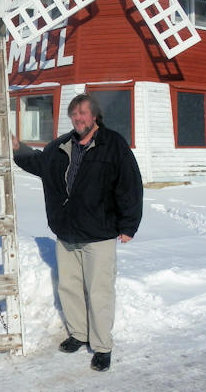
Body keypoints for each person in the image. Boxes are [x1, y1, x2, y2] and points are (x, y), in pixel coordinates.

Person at [12, 93, 143, 372]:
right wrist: (18, 148)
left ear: (94, 116)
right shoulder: (61, 145)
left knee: (99, 292)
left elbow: (130, 184)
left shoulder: (113, 145)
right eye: (74, 114)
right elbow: (39, 163)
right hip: (67, 232)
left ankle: (102, 346)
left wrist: (128, 225)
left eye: (83, 113)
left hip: (99, 233)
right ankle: (79, 334)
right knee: (69, 287)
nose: (78, 118)